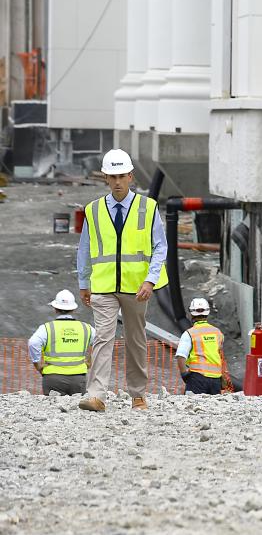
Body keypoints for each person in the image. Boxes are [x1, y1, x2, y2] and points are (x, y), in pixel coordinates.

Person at [77, 149, 168, 412]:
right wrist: (84, 283)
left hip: (136, 287)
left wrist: (150, 281)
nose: (117, 182)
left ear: (131, 176)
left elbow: (160, 247)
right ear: (105, 178)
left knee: (135, 340)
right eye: (112, 176)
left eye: (121, 176)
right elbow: (84, 248)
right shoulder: (93, 210)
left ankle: (138, 395)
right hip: (103, 286)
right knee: (103, 338)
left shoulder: (148, 207)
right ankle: (96, 395)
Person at [28, 290, 95, 395]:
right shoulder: (86, 328)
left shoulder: (47, 328)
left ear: (55, 309)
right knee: (77, 410)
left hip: (52, 378)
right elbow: (100, 342)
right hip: (78, 378)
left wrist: (38, 365)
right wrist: (90, 361)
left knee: (52, 410)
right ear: (73, 309)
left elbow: (33, 343)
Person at [175, 298, 225, 395]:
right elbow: (220, 355)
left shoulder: (189, 333)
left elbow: (181, 356)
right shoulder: (217, 332)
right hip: (216, 380)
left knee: (192, 407)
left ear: (191, 314)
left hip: (197, 378)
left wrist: (184, 374)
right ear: (208, 312)